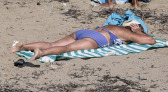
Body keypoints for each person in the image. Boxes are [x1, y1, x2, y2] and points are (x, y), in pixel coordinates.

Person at [10, 19, 154, 63]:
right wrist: (138, 32)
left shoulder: (113, 26)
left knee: (53, 43)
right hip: (97, 39)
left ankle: (22, 46)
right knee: (67, 49)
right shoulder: (127, 33)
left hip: (85, 32)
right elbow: (150, 40)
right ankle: (41, 53)